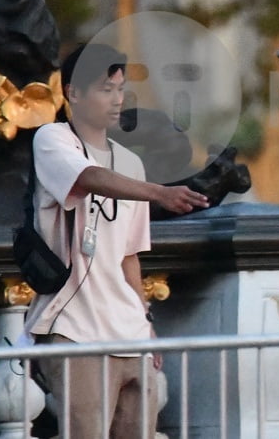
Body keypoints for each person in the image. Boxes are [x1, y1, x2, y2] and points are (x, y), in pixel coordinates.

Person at [22, 43, 208, 439]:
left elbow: (129, 258)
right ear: (73, 93)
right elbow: (87, 176)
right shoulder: (52, 139)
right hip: (75, 330)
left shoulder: (131, 164)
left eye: (120, 89)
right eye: (105, 89)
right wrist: (159, 193)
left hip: (130, 335)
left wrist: (146, 324)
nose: (117, 99)